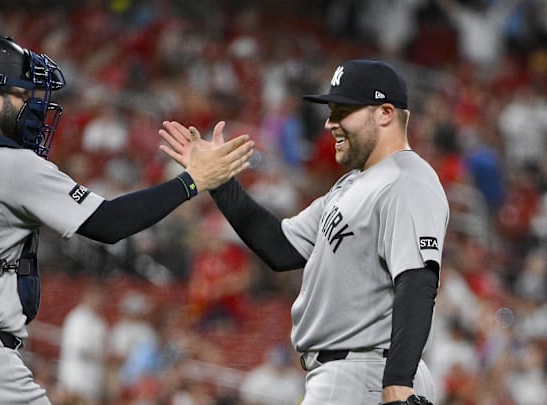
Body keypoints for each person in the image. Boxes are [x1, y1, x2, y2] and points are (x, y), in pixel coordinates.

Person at [0, 29, 253, 404]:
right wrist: (193, 180)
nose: (31, 106)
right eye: (21, 95)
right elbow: (109, 223)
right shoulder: (8, 163)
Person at [159, 59, 449, 405]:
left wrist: (398, 384)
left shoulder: (407, 180)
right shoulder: (352, 186)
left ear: (385, 113)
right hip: (350, 373)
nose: (330, 123)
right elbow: (279, 248)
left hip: (368, 373)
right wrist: (219, 182)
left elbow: (417, 281)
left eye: (343, 111)